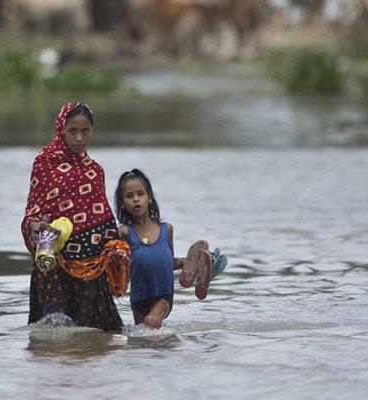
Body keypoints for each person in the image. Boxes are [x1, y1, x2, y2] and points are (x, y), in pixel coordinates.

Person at [21, 101, 130, 332]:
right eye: (73, 131)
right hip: (53, 265)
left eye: (85, 131)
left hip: (90, 268)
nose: (79, 138)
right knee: (54, 334)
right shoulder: (44, 162)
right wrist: (36, 224)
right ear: (61, 130)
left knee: (98, 336)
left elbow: (101, 218)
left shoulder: (95, 171)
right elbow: (34, 208)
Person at [115, 168, 227, 329]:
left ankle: (205, 266)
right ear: (122, 203)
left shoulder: (166, 229)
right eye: (129, 196)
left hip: (163, 295)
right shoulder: (124, 233)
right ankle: (167, 350)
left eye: (140, 194)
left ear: (150, 196)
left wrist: (187, 263)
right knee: (143, 340)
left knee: (152, 321)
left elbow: (166, 262)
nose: (136, 200)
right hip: (138, 297)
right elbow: (120, 266)